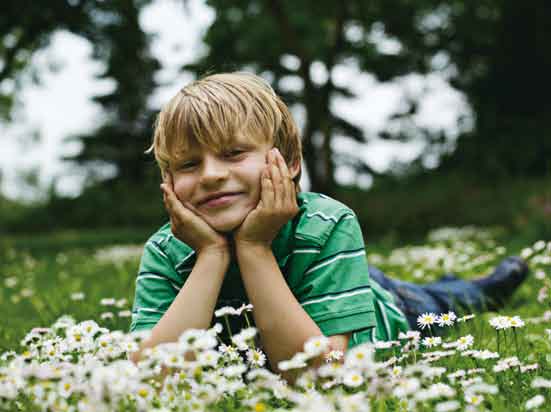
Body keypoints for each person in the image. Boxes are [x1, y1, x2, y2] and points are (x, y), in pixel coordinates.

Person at [129, 72, 528, 374]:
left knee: (444, 305)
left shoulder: (328, 224)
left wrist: (253, 248)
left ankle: (479, 286)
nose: (211, 175)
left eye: (233, 153)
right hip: (326, 286)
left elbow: (318, 377)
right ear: (168, 182)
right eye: (188, 164)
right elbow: (153, 377)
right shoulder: (166, 252)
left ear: (289, 164)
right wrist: (212, 255)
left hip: (392, 308)